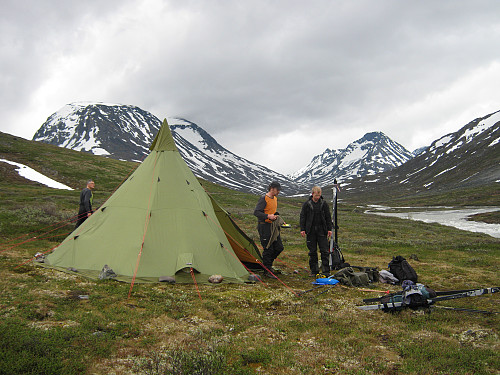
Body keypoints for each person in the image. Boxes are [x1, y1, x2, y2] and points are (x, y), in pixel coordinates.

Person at [300, 186, 333, 276]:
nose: (317, 197)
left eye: (319, 196)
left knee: (324, 251)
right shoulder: (307, 204)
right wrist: (302, 229)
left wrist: (329, 229)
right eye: (316, 196)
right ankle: (314, 271)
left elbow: (328, 217)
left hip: (322, 230)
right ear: (312, 194)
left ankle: (326, 271)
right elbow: (303, 217)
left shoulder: (324, 204)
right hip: (310, 231)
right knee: (312, 251)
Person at [253, 181, 284, 277]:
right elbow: (256, 212)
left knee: (279, 247)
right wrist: (268, 216)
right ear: (272, 189)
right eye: (277, 189)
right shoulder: (264, 199)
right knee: (268, 248)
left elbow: (272, 211)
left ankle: (267, 265)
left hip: (273, 227)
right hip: (264, 226)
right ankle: (267, 270)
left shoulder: (275, 199)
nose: (278, 191)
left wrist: (276, 216)